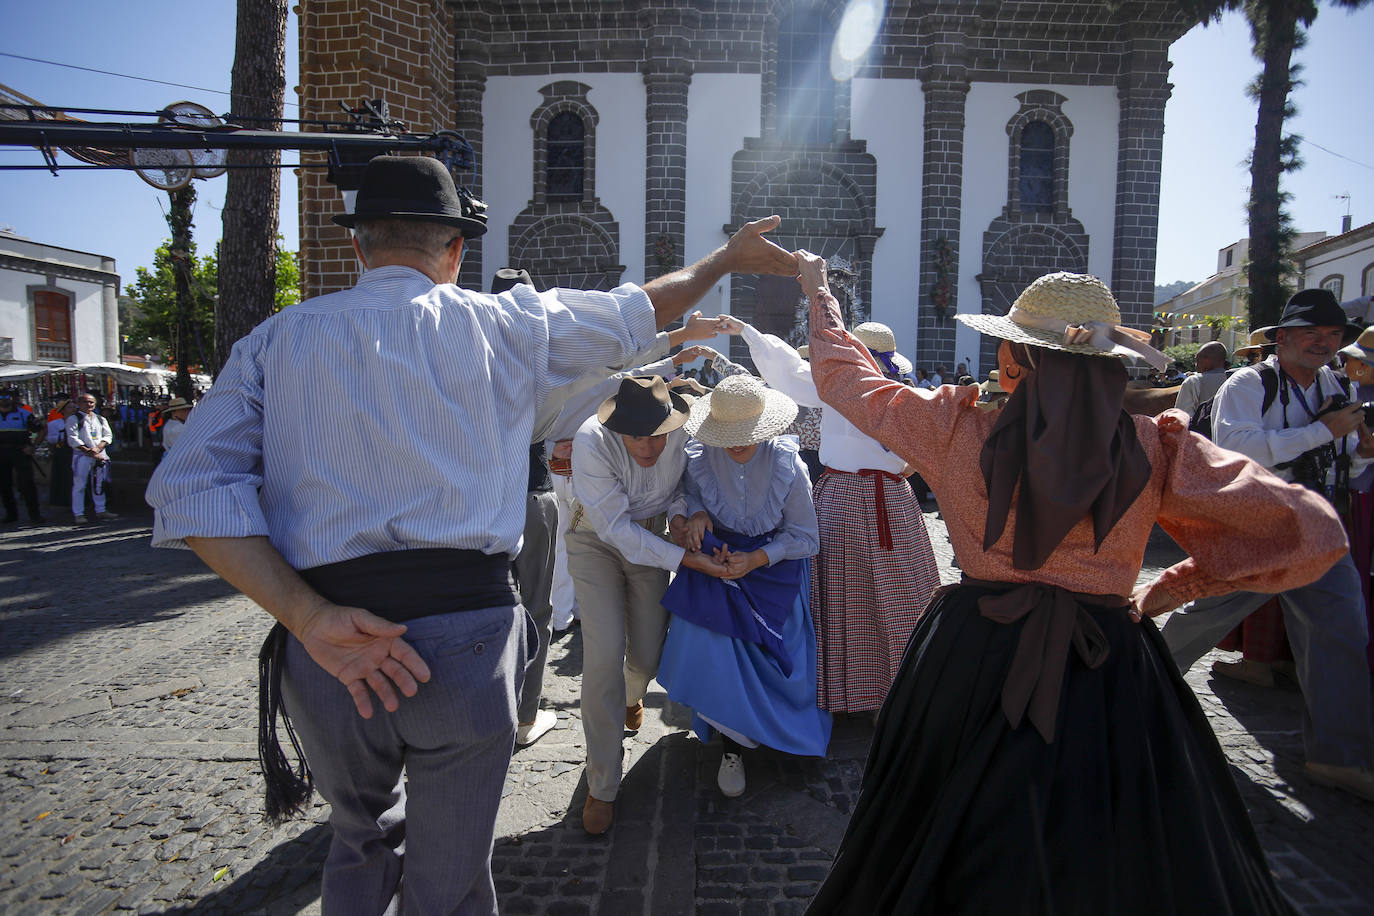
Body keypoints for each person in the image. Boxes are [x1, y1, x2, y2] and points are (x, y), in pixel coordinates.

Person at [145, 154, 798, 914]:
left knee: (359, 841)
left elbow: (188, 490)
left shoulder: (277, 339)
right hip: (466, 644)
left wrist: (308, 618)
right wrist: (728, 257)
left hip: (327, 649)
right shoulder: (502, 325)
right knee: (451, 878)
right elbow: (636, 310)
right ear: (454, 250)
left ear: (359, 244)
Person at [799, 260, 1343, 913]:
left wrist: (818, 291)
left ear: (1017, 357)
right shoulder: (1158, 447)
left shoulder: (953, 427)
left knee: (941, 833)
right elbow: (1314, 531)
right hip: (1109, 665)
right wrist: (1177, 584)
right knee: (1112, 846)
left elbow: (843, 378)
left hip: (972, 658)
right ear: (1108, 363)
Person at [1160, 288, 1374, 800]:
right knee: (1197, 624)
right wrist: (1321, 432)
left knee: (1340, 634)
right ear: (1281, 338)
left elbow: (1345, 465)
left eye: (1332, 335)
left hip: (1317, 531)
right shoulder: (1249, 383)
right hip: (1254, 531)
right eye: (1310, 333)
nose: (1322, 343)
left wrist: (1362, 452)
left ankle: (1337, 758)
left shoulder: (1334, 387)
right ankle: (1122, 695)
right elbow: (1237, 452)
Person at [718, 314, 941, 714]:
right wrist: (749, 332)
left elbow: (789, 370)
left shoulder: (854, 387)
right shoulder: (849, 387)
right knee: (867, 593)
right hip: (877, 498)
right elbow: (789, 370)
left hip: (871, 498)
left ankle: (879, 693)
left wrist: (749, 333)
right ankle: (880, 692)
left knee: (864, 595)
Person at [656, 375, 831, 798]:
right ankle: (731, 744)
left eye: (745, 435)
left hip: (774, 566)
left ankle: (774, 730)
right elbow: (690, 497)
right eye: (728, 435)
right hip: (719, 561)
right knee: (705, 633)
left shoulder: (789, 464)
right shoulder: (700, 457)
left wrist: (756, 558)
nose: (735, 444)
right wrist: (697, 516)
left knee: (775, 648)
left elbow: (807, 538)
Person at [67, 391, 116, 524]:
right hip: (82, 456)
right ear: (79, 403)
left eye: (91, 402)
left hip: (99, 455)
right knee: (79, 484)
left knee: (99, 484)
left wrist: (99, 448)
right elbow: (73, 438)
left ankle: (101, 510)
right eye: (85, 402)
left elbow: (108, 436)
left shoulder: (100, 419)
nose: (89, 404)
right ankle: (78, 513)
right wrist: (89, 451)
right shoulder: (73, 419)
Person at [0, 388, 44, 525]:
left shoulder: (23, 413)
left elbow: (41, 430)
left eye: (7, 396)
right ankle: (11, 514)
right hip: (1, 454)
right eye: (1, 396)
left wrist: (33, 447)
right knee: (4, 485)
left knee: (27, 484)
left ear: (12, 398)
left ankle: (35, 515)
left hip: (20, 452)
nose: (4, 399)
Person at [1173, 340, 1229, 417]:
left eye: (1197, 360)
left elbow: (1183, 417)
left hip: (1202, 429)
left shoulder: (1193, 381)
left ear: (1206, 360)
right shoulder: (1237, 380)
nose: (1196, 365)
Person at [46, 398, 75, 508]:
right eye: (69, 407)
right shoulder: (54, 424)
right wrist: (62, 436)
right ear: (63, 410)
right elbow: (50, 438)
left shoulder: (80, 421)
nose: (72, 410)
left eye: (73, 407)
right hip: (62, 452)